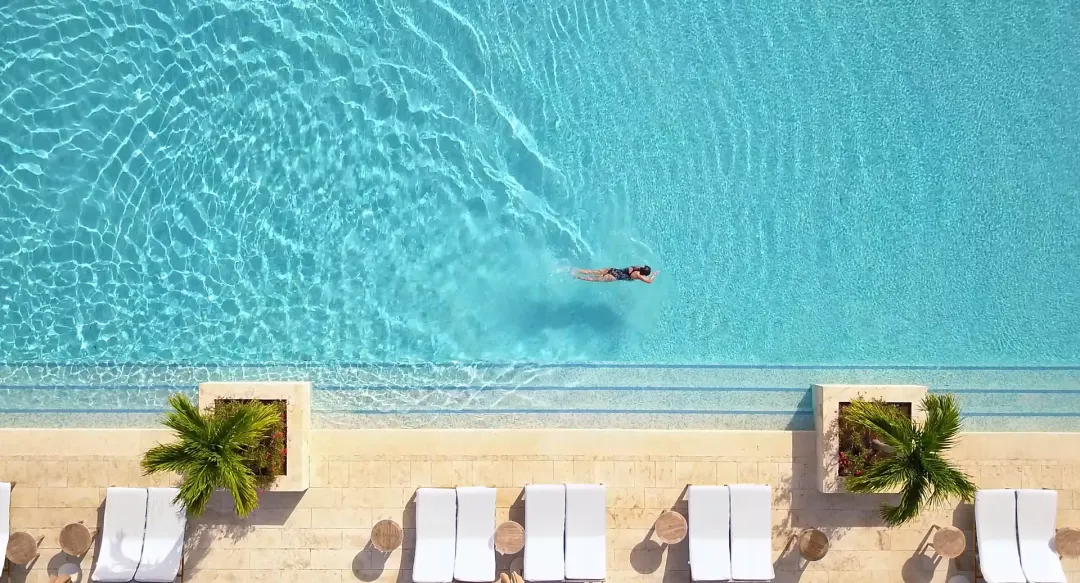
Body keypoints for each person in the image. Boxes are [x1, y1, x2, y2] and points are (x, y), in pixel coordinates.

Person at [573, 265, 656, 283]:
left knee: (592, 272)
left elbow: (629, 268)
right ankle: (578, 277)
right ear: (644, 274)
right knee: (595, 279)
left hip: (614, 270)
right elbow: (649, 281)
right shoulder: (638, 275)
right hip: (615, 276)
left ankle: (575, 270)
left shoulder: (636, 267)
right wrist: (654, 274)